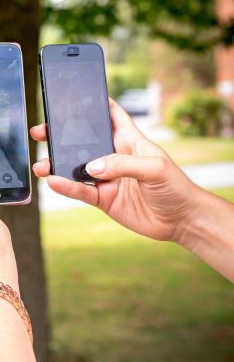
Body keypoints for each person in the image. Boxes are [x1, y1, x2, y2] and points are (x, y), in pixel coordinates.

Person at [30, 98, 234, 282]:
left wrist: (185, 219)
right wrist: (185, 219)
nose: (75, 111)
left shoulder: (83, 124)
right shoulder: (70, 127)